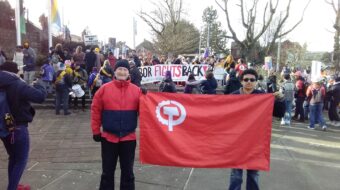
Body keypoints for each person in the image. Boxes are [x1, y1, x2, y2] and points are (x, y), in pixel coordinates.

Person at [91, 60, 142, 190]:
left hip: (128, 138)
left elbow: (145, 111)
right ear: (115, 71)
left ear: (128, 73)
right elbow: (95, 110)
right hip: (109, 138)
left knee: (128, 173)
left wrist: (146, 97)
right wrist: (96, 130)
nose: (122, 72)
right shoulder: (104, 89)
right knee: (107, 173)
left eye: (125, 70)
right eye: (119, 69)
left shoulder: (137, 91)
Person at [0, 61, 46, 190]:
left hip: (4, 125)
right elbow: (40, 97)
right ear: (15, 71)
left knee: (13, 158)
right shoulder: (18, 84)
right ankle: (12, 187)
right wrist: (39, 84)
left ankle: (13, 185)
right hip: (18, 126)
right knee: (20, 160)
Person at [228, 69, 264, 190]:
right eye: (246, 79)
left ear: (256, 82)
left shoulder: (262, 97)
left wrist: (280, 100)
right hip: (236, 141)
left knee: (253, 174)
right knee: (236, 175)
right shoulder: (233, 96)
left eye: (252, 80)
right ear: (241, 81)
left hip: (255, 142)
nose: (249, 82)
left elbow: (279, 113)